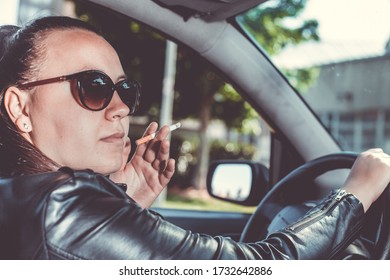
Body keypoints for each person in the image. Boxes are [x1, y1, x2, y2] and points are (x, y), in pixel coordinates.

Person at [0, 16, 389, 260]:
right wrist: (354, 193)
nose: (121, 107)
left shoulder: (23, 200)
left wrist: (124, 202)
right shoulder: (63, 206)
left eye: (125, 89)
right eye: (94, 86)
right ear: (20, 108)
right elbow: (261, 267)